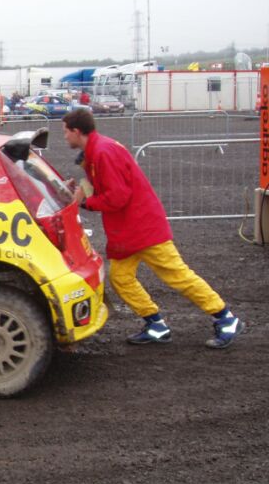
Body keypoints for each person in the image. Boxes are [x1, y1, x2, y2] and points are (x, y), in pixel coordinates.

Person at [62, 109, 243, 348]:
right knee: (122, 278)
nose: (64, 137)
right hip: (130, 230)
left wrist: (84, 202)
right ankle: (156, 324)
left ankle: (225, 318)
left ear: (76, 131)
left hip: (143, 228)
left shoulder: (103, 152)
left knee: (177, 276)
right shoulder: (98, 151)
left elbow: (117, 196)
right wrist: (82, 189)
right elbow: (109, 187)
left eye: (65, 131)